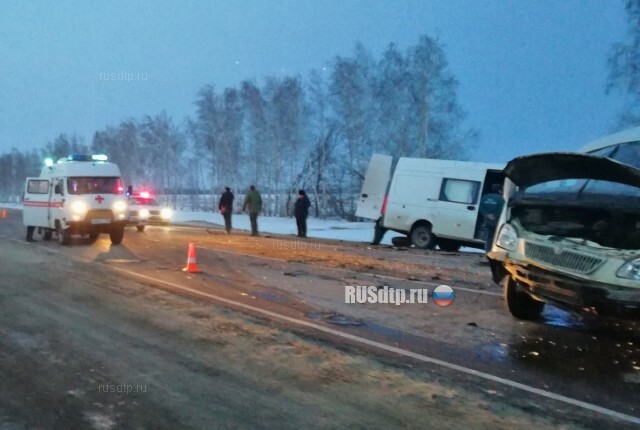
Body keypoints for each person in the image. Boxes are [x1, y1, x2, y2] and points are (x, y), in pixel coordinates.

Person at [479, 184, 505, 252]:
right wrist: (495, 215)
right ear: (500, 190)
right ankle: (494, 252)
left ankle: (487, 251)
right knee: (496, 238)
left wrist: (487, 214)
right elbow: (502, 209)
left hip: (487, 221)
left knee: (489, 237)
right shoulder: (501, 199)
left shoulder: (484, 197)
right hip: (497, 221)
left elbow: (481, 207)